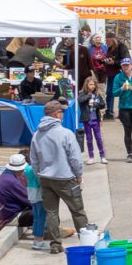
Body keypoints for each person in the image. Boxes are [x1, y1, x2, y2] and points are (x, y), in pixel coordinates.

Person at [31, 101, 86, 255]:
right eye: (61, 112)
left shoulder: (37, 134)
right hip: (65, 178)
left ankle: (55, 244)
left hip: (46, 179)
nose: (63, 114)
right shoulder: (65, 133)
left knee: (51, 212)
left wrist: (39, 174)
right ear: (56, 114)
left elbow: (33, 159)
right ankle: (87, 241)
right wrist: (79, 174)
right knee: (78, 211)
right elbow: (75, 157)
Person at [0, 153, 35, 234]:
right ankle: (45, 233)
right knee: (43, 210)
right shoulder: (12, 182)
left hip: (8, 214)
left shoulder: (6, 176)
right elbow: (30, 200)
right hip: (12, 217)